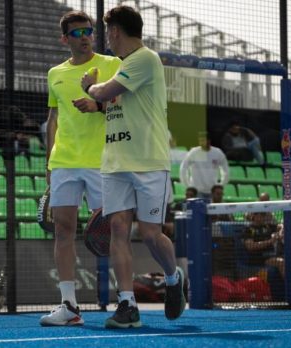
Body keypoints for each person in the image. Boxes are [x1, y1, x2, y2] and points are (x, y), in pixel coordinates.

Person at [81, 5, 185, 329]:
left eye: (106, 31)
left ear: (115, 31)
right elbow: (114, 103)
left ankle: (173, 277)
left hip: (149, 163)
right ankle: (127, 305)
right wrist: (96, 104)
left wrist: (90, 88)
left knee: (151, 234)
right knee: (119, 230)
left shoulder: (145, 59)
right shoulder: (125, 67)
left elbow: (106, 90)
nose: (105, 38)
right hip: (115, 163)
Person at [39, 10, 121, 327]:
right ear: (64, 39)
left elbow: (123, 104)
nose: (84, 37)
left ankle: (126, 299)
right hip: (64, 162)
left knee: (114, 230)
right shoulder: (54, 74)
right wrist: (49, 163)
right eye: (76, 33)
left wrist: (97, 102)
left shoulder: (111, 64)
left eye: (88, 31)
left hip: (102, 161)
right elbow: (53, 120)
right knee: (63, 230)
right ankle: (69, 306)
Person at [179, 131, 229, 200]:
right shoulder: (193, 152)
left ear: (209, 141)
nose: (202, 142)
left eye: (204, 140)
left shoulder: (218, 153)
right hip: (197, 191)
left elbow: (226, 170)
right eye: (201, 140)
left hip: (212, 192)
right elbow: (183, 168)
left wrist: (221, 185)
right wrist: (188, 186)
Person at [242, 212, 285, 279]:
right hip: (259, 259)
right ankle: (290, 287)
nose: (263, 216)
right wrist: (270, 241)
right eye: (261, 214)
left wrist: (280, 233)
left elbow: (282, 226)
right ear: (254, 215)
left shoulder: (268, 226)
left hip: (272, 256)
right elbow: (250, 246)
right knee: (281, 262)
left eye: (263, 214)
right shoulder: (248, 229)